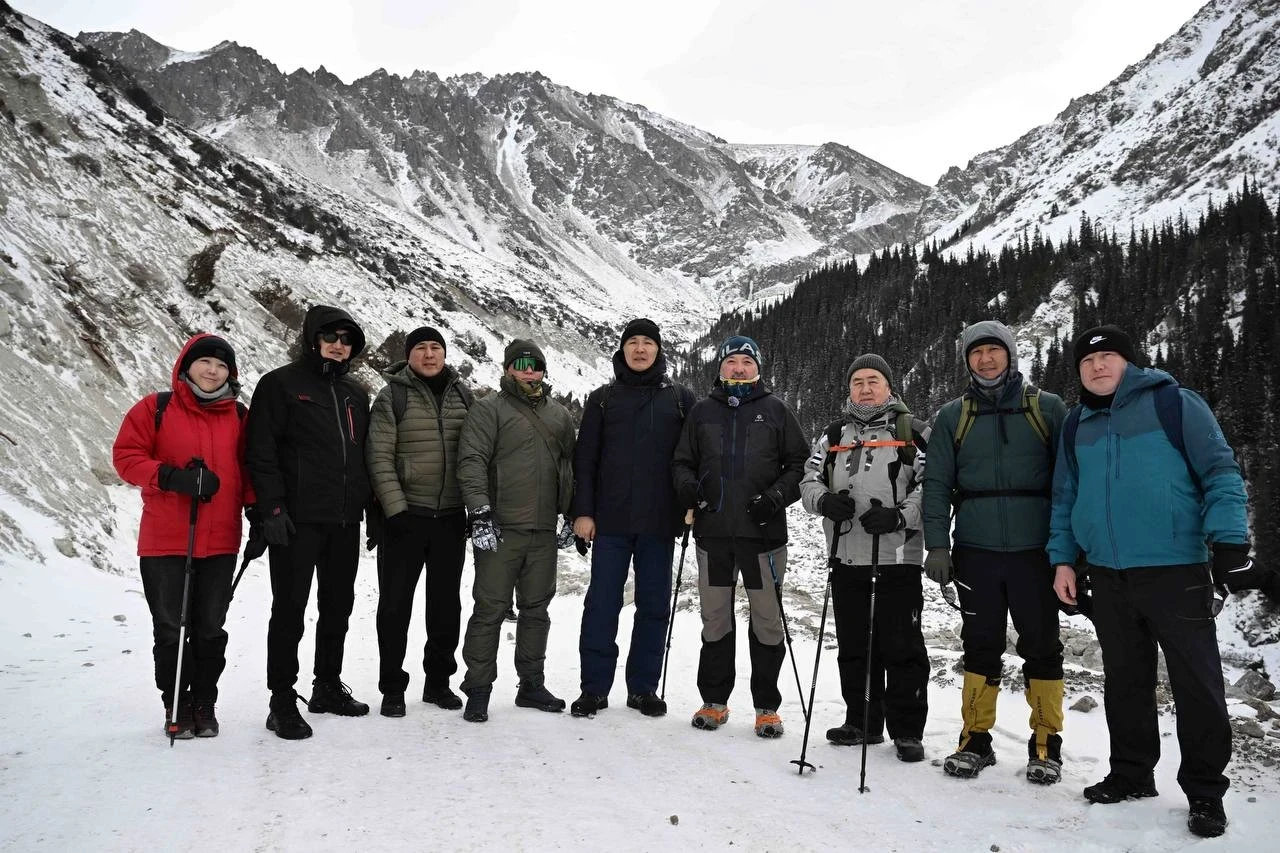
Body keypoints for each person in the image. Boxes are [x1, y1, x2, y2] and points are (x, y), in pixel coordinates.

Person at [1049, 325, 1254, 839]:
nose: (1097, 366)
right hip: (1107, 573)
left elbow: (1220, 472)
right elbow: (1066, 498)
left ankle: (1205, 791)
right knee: (1125, 680)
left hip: (1176, 568)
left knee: (1197, 683)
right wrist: (1064, 560)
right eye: (1087, 361)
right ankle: (1132, 773)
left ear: (1129, 361)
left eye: (1107, 357)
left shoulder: (1174, 404)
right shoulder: (1077, 424)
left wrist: (1230, 540)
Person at [921, 320, 1068, 782]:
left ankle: (1046, 745)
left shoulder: (1046, 408)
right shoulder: (953, 416)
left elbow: (1069, 482)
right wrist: (937, 545)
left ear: (1010, 354)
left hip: (1036, 552)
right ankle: (974, 740)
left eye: (993, 350)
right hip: (975, 552)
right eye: (976, 353)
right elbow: (936, 484)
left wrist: (1068, 549)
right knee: (980, 645)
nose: (985, 360)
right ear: (967, 361)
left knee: (1042, 646)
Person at [113, 334, 253, 739]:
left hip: (221, 540)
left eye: (222, 365)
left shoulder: (239, 416)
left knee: (210, 627)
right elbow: (126, 457)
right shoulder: (155, 408)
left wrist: (259, 512)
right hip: (166, 540)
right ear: (186, 366)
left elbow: (251, 471)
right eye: (205, 362)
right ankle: (176, 702)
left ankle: (204, 701)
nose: (213, 371)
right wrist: (170, 477)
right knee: (171, 627)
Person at [672, 335, 809, 737]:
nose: (738, 367)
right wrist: (688, 487)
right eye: (731, 361)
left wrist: (776, 497)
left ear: (757, 368)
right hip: (713, 535)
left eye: (746, 362)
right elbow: (682, 462)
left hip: (763, 537)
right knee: (715, 619)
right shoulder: (702, 412)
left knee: (767, 620)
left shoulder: (777, 410)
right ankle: (714, 702)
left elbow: (799, 464)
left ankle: (767, 707)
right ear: (720, 368)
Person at [246, 305, 372, 739]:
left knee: (338, 607)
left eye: (347, 339)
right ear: (313, 339)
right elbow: (260, 452)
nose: (339, 345)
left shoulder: (355, 393)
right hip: (297, 521)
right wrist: (271, 509)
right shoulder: (279, 384)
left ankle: (327, 687)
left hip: (344, 520)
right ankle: (281, 699)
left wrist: (368, 509)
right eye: (330, 337)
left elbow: (363, 456)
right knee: (290, 611)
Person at [799, 354, 931, 762]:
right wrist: (824, 501)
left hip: (897, 558)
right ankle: (862, 721)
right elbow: (808, 480)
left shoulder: (914, 433)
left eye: (873, 380)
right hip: (847, 557)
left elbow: (933, 485)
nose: (866, 388)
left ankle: (907, 731)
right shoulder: (832, 435)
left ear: (889, 386)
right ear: (849, 389)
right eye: (858, 382)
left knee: (902, 647)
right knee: (855, 646)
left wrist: (900, 515)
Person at [568, 319, 697, 719]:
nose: (640, 349)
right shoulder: (602, 399)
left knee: (654, 606)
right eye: (633, 342)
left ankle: (643, 689)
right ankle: (593, 689)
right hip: (610, 520)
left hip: (660, 520)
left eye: (647, 343)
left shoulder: (681, 399)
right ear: (622, 350)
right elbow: (585, 460)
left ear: (658, 350)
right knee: (601, 605)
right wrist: (583, 512)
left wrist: (690, 502)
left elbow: (692, 457)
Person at [456, 339, 577, 723]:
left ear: (543, 370)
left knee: (536, 610)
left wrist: (571, 514)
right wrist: (479, 512)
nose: (528, 370)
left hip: (542, 531)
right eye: (521, 364)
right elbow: (472, 460)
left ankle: (531, 685)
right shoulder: (488, 409)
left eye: (535, 365)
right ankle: (478, 688)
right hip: (500, 529)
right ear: (507, 368)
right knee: (489, 610)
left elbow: (569, 468)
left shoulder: (559, 415)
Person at [366, 327, 474, 718]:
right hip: (405, 516)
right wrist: (395, 510)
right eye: (421, 348)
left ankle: (438, 682)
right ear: (409, 355)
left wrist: (473, 506)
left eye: (436, 348)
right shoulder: (392, 396)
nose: (429, 355)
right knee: (395, 607)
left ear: (444, 353)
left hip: (450, 517)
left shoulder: (463, 396)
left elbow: (476, 453)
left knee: (445, 607)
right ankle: (392, 687)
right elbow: (379, 456)